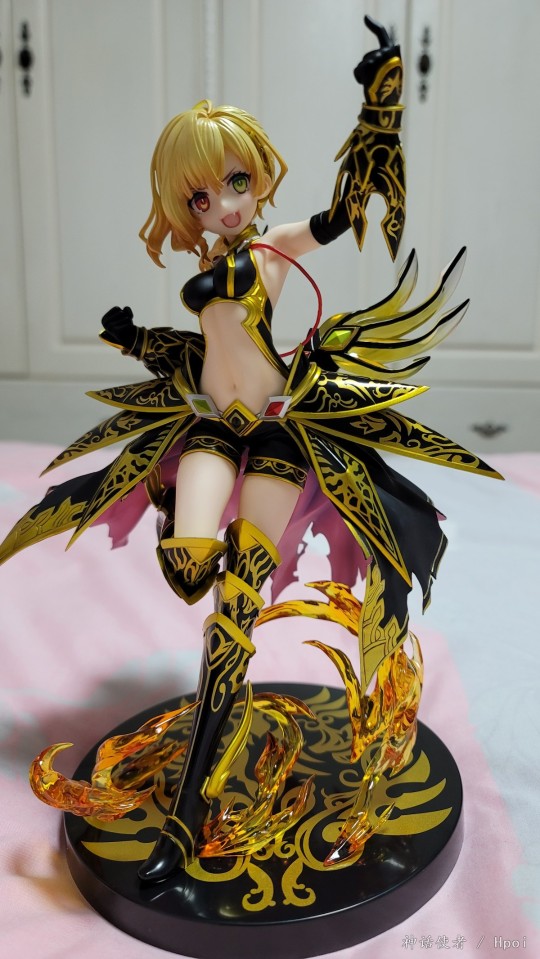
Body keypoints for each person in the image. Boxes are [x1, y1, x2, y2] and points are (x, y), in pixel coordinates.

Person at [0, 19, 499, 884]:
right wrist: (136, 341)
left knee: (237, 600)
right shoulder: (213, 265)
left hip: (273, 432)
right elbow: (205, 351)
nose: (224, 205)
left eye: (236, 183)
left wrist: (379, 110)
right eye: (202, 197)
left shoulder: (272, 249)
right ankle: (195, 560)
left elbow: (343, 213)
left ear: (258, 179)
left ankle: (187, 817)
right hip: (208, 426)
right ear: (183, 207)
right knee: (191, 557)